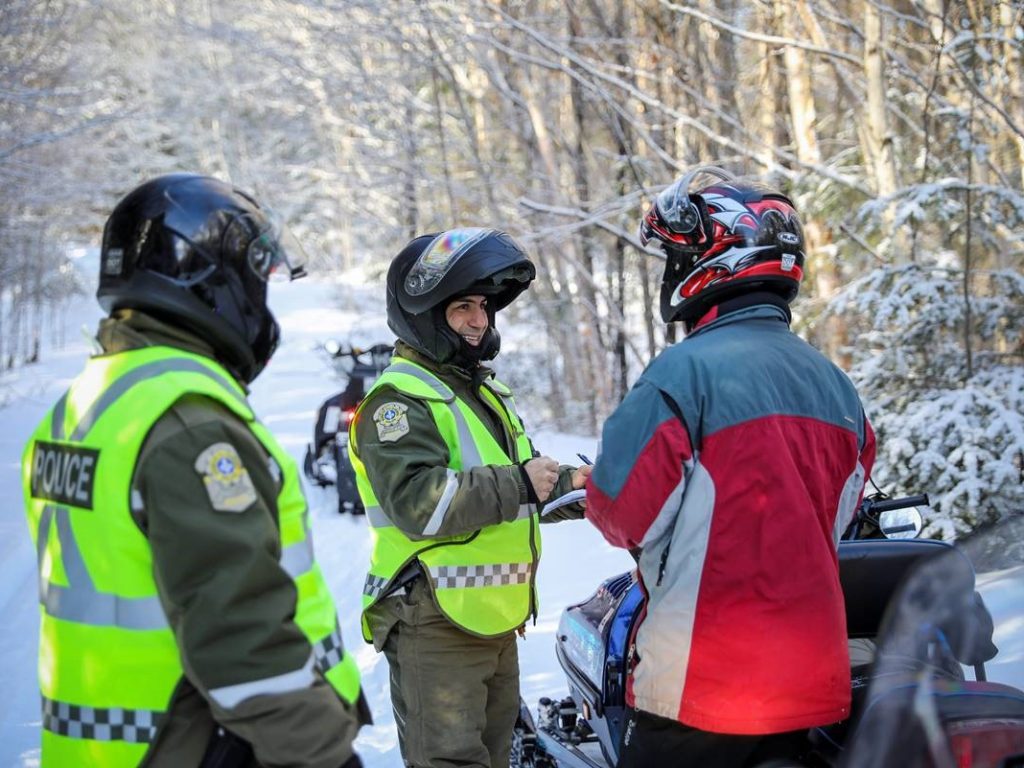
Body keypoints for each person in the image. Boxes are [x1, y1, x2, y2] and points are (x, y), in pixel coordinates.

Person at [21, 174, 368, 767]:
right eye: (256, 282)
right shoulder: (189, 423)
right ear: (211, 280)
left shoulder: (89, 401)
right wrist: (326, 756)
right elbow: (241, 640)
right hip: (203, 742)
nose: (260, 303)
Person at [585, 167, 877, 767]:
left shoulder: (680, 376)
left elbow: (619, 516)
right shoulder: (840, 390)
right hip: (810, 687)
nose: (669, 270)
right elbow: (839, 518)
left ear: (714, 259)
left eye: (675, 255)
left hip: (703, 688)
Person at [348, 228, 590, 768]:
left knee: (495, 757)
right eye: (463, 308)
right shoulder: (398, 403)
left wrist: (587, 488)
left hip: (490, 619)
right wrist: (523, 483)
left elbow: (532, 482)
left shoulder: (482, 395)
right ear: (425, 313)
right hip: (432, 621)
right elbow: (419, 502)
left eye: (483, 307)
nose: (479, 320)